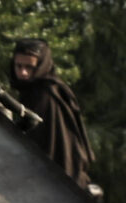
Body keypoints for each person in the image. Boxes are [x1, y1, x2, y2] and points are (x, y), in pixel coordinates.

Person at [9, 38, 97, 192]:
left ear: (41, 66)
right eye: (19, 66)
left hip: (57, 181)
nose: (23, 72)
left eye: (29, 67)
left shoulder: (45, 95)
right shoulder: (33, 91)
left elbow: (46, 144)